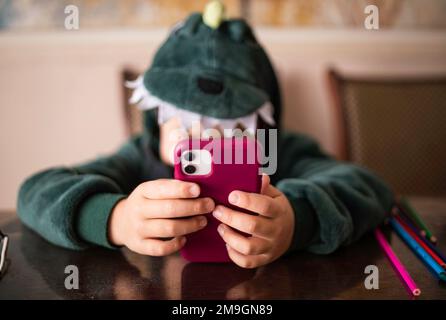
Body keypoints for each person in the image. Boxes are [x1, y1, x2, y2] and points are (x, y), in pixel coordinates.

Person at [17, 11, 393, 269]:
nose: (205, 141)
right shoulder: (139, 158)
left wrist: (299, 220)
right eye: (185, 122)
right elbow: (36, 191)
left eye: (229, 126)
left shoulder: (281, 154)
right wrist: (116, 218)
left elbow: (369, 186)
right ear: (157, 122)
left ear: (262, 128)